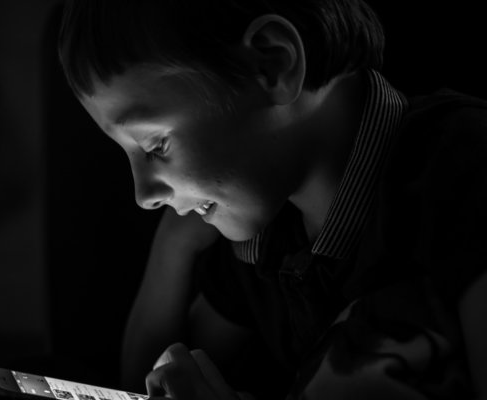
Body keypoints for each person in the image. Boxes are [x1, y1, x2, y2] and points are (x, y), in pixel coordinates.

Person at [57, 0, 487, 399]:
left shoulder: (463, 167)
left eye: (155, 145)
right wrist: (174, 245)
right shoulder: (266, 236)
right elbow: (146, 382)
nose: (143, 196)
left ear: (273, 64)